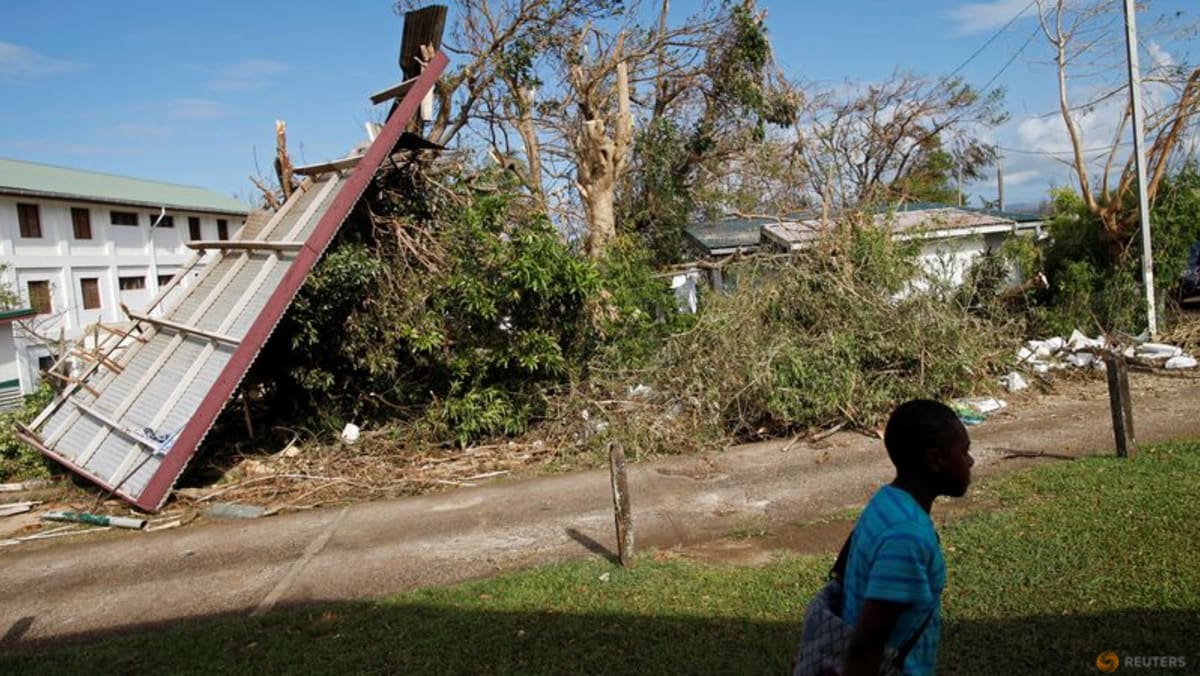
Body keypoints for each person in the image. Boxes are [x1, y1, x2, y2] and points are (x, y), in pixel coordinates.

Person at [841, 399, 974, 676]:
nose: (970, 461)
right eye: (964, 451)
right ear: (935, 460)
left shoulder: (885, 502)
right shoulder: (907, 539)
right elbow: (866, 647)